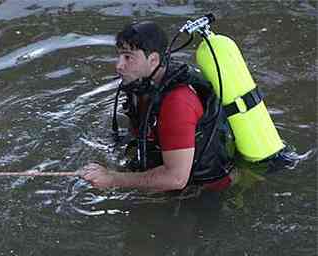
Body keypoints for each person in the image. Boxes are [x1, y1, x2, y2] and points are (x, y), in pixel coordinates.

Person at [79, 21, 234, 192]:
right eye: (119, 56)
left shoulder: (178, 103)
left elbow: (175, 179)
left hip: (204, 191)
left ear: (153, 60)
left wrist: (113, 178)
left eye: (128, 57)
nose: (118, 65)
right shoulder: (141, 84)